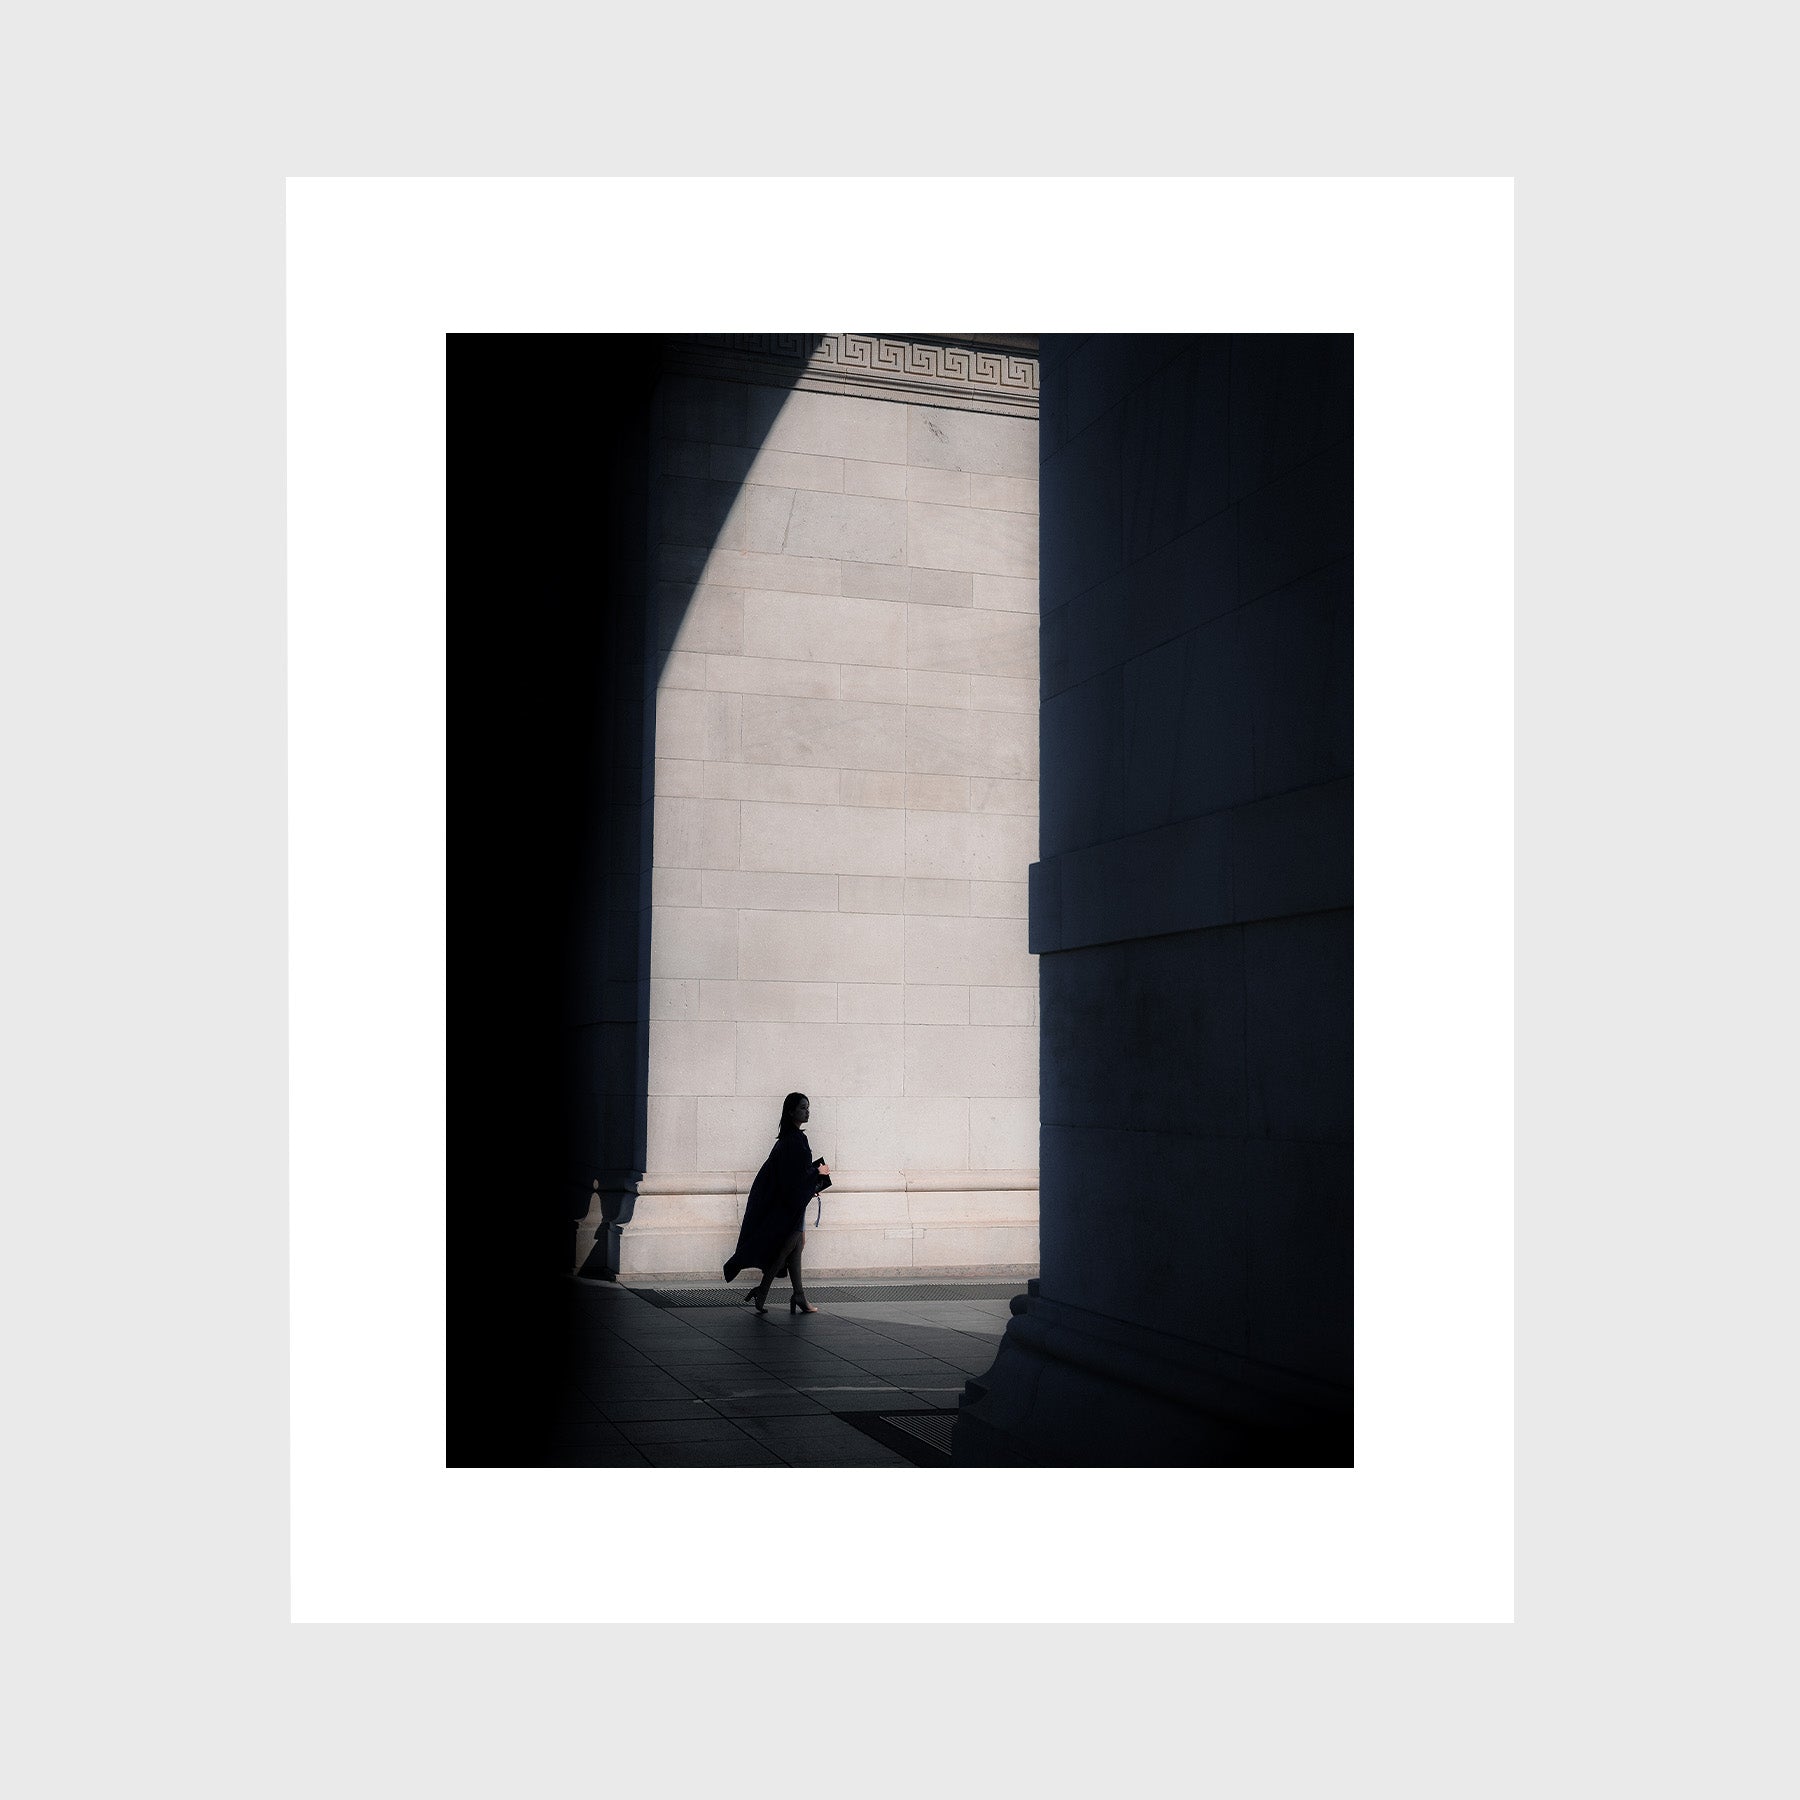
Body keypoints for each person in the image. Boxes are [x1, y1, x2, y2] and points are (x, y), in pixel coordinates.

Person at [722, 1091, 831, 1313]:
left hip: (789, 1204)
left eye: (808, 1107)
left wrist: (810, 1179)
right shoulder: (794, 1141)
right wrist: (818, 1172)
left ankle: (798, 1296)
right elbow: (795, 1177)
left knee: (796, 1246)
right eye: (802, 1107)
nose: (807, 1111)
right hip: (789, 1206)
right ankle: (765, 1291)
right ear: (791, 1111)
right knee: (787, 1248)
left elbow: (789, 1175)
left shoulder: (789, 1139)